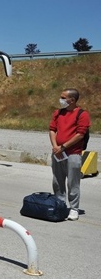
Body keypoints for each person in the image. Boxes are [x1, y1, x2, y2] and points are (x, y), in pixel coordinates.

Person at [49, 88, 90, 221]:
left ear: (72, 100)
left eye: (63, 97)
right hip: (57, 152)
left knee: (73, 182)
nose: (60, 100)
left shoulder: (82, 114)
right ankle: (60, 204)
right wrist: (55, 146)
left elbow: (80, 134)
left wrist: (64, 147)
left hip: (73, 153)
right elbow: (52, 130)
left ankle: (74, 208)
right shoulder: (58, 113)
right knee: (57, 180)